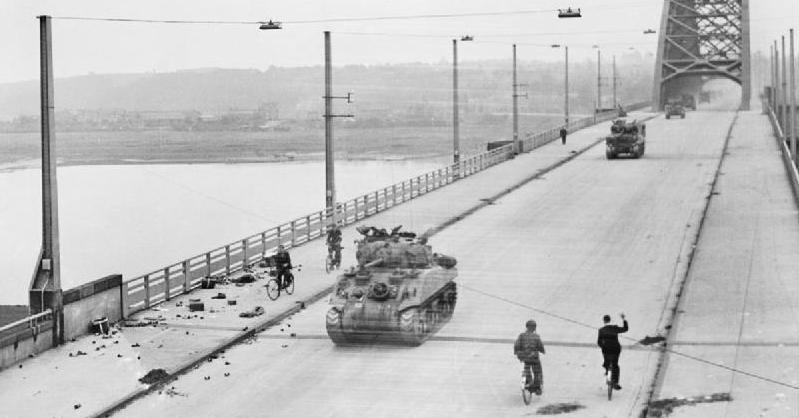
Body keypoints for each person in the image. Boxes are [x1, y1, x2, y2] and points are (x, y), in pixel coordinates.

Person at [514, 320, 546, 395]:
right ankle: (537, 387)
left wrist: (517, 352)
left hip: (523, 356)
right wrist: (542, 351)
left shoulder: (521, 335)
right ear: (534, 328)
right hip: (533, 357)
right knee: (537, 370)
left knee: (526, 366)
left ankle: (528, 381)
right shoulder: (536, 336)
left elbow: (516, 345)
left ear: (526, 327)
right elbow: (540, 346)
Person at [597, 313, 628, 390]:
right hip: (615, 349)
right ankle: (615, 382)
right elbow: (625, 329)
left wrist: (603, 347)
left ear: (604, 321)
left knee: (606, 361)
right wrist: (624, 319)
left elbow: (599, 342)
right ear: (610, 320)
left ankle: (607, 370)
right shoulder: (615, 328)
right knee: (615, 365)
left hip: (606, 349)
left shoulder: (601, 330)